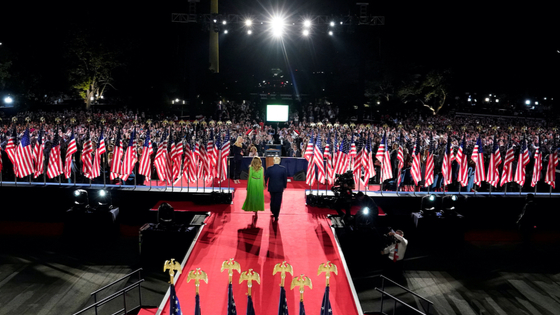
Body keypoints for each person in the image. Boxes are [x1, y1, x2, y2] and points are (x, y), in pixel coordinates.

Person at [264, 156, 287, 221]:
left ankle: (272, 210)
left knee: (272, 199)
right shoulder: (283, 169)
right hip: (279, 188)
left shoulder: (269, 168)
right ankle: (276, 214)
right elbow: (284, 179)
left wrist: (265, 184)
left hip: (272, 187)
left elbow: (266, 178)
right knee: (278, 201)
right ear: (279, 161)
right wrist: (284, 186)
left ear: (273, 161)